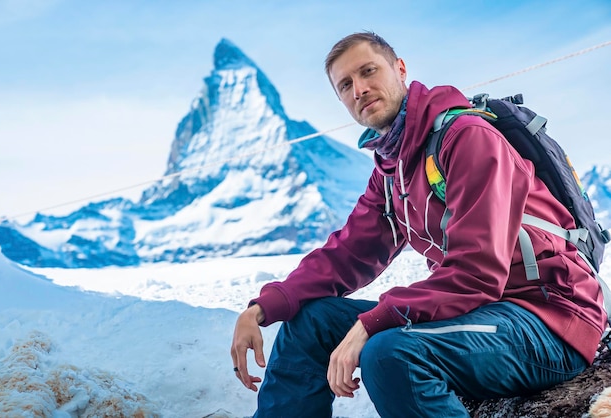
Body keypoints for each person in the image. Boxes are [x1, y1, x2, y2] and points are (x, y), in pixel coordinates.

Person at [230, 31, 607, 417]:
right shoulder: (394, 171)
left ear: (400, 69)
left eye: (368, 71)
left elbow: (476, 272)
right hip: (479, 313)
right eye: (345, 84)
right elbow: (346, 254)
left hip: (548, 317)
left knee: (390, 353)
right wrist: (261, 308)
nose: (359, 89)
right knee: (311, 322)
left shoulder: (467, 138)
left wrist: (372, 323)